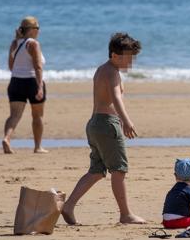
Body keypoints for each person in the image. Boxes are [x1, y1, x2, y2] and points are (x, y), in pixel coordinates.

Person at [61, 32, 146, 225]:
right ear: (114, 55)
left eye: (133, 58)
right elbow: (116, 97)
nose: (131, 63)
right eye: (128, 58)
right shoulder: (112, 72)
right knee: (119, 169)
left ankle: (69, 206)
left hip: (94, 124)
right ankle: (125, 214)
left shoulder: (101, 70)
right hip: (108, 124)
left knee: (97, 171)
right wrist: (126, 120)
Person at [2, 16, 48, 154]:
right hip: (32, 82)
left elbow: (11, 66)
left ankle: (6, 139)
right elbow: (38, 67)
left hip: (15, 81)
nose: (39, 31)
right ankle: (37, 146)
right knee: (37, 116)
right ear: (32, 30)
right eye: (38, 28)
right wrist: (39, 86)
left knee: (14, 115)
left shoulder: (15, 43)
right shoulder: (33, 44)